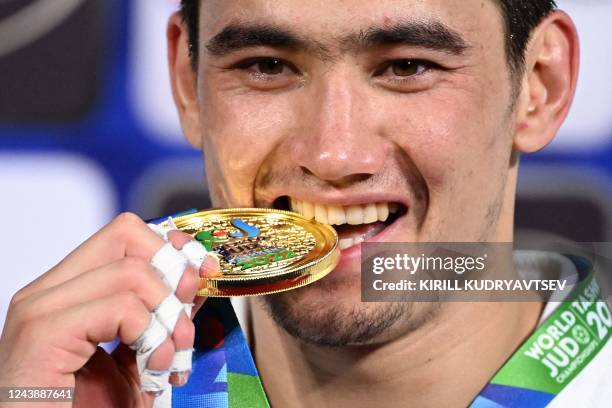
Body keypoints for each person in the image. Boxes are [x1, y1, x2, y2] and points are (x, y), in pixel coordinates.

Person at [1, 0, 610, 407]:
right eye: (266, 66)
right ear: (188, 83)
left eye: (408, 66)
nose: (333, 154)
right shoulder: (69, 386)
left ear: (540, 86)